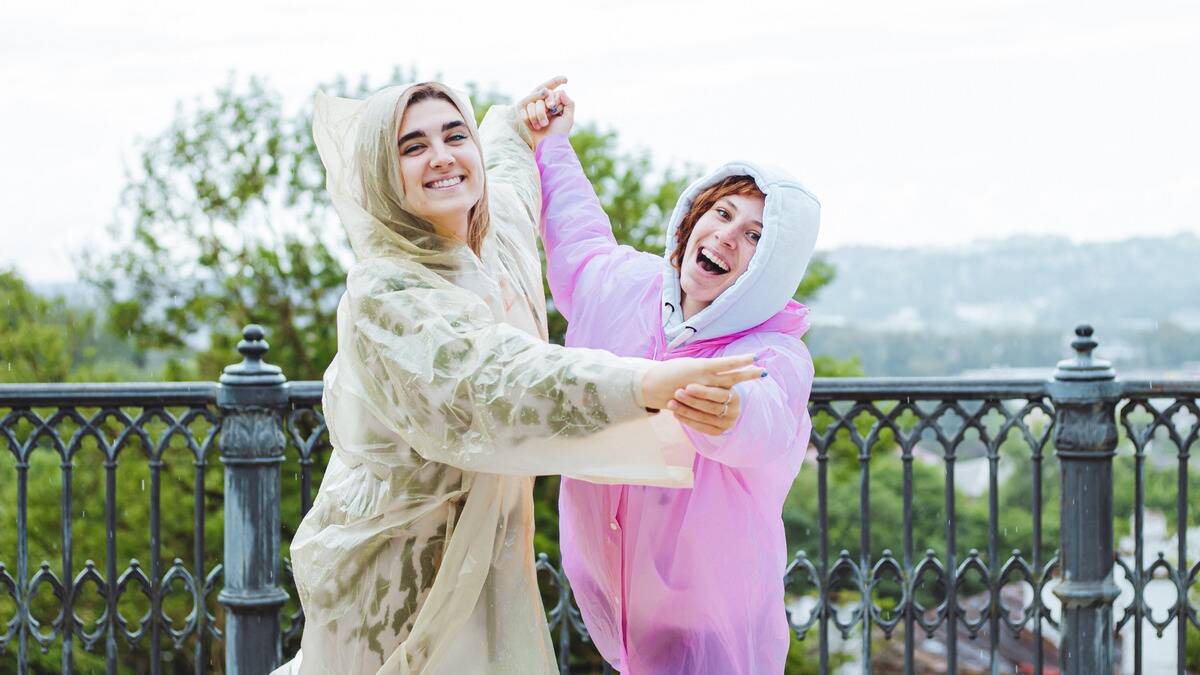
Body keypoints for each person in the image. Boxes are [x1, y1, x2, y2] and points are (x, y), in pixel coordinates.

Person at [273, 79, 766, 675]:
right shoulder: (388, 289)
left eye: (455, 135)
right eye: (412, 146)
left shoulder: (494, 240)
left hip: (487, 556)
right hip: (393, 574)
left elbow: (508, 173)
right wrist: (640, 385)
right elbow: (494, 381)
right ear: (384, 171)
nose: (442, 156)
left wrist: (522, 125)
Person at [525, 86, 820, 674]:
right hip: (614, 585)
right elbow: (578, 236)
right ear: (693, 216)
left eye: (757, 236)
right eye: (722, 212)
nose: (728, 237)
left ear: (773, 266)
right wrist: (551, 145)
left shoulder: (773, 350)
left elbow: (768, 410)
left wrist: (730, 411)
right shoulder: (622, 285)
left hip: (706, 609)